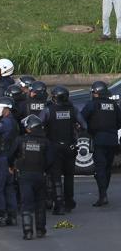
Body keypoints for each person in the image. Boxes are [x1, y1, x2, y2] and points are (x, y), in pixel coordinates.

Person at [10, 116, 52, 239]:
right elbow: (50, 160)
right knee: (40, 203)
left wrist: (11, 166)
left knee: (26, 203)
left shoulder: (20, 140)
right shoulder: (45, 142)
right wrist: (44, 170)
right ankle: (40, 230)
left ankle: (28, 232)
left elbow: (10, 155)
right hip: (40, 175)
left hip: (25, 175)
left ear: (29, 129)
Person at [80, 81, 121, 207]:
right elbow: (119, 122)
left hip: (99, 139)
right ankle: (104, 193)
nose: (93, 94)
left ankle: (103, 195)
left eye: (94, 92)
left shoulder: (92, 104)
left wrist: (87, 129)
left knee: (100, 168)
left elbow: (81, 118)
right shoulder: (114, 105)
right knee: (107, 168)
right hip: (113, 140)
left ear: (97, 93)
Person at [41, 86, 79, 214]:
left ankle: (59, 204)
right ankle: (69, 202)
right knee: (69, 176)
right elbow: (84, 125)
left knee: (55, 176)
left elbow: (38, 125)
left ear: (55, 97)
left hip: (53, 146)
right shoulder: (72, 109)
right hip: (69, 146)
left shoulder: (48, 110)